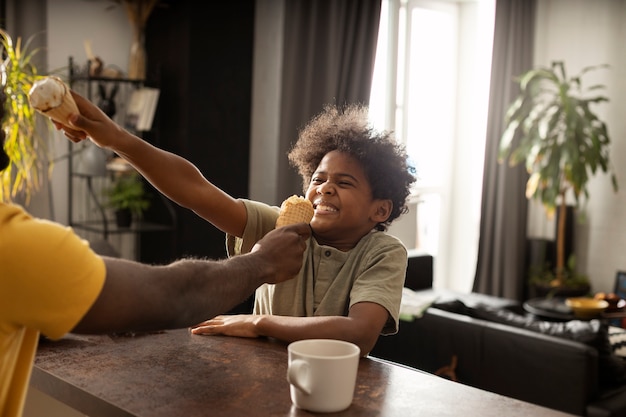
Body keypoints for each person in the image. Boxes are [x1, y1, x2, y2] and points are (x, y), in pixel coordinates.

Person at [0, 90, 311, 417]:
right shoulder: (14, 246)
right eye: (318, 177)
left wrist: (118, 138)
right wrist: (262, 262)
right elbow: (182, 282)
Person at [59, 91, 416, 357]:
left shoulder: (383, 253)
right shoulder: (279, 227)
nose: (324, 188)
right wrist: (118, 140)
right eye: (318, 179)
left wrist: (258, 323)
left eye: (345, 182)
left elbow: (358, 334)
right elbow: (195, 191)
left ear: (380, 210)